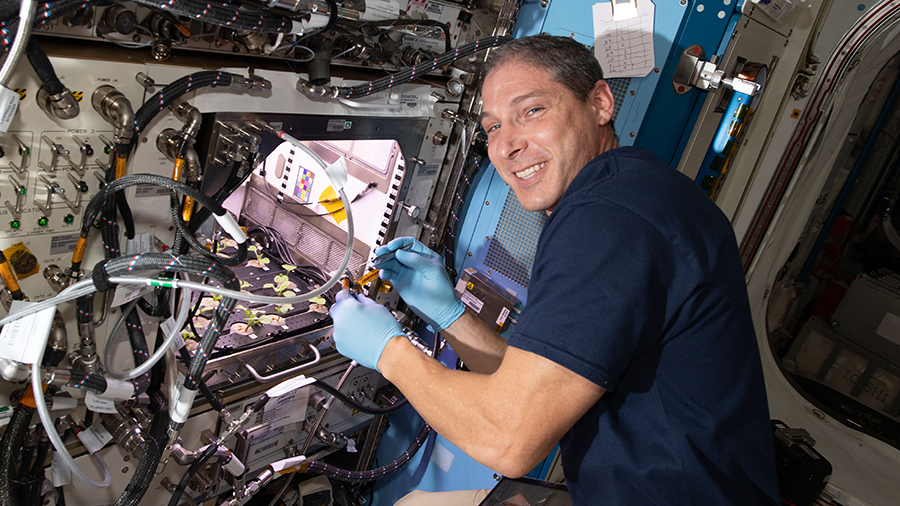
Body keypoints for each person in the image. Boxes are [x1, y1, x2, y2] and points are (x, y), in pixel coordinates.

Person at [330, 34, 779, 505]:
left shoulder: (610, 221)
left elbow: (510, 439)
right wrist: (449, 316)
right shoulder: (631, 189)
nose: (507, 146)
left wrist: (389, 352)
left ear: (601, 103)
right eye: (493, 127)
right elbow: (538, 385)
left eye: (533, 111)